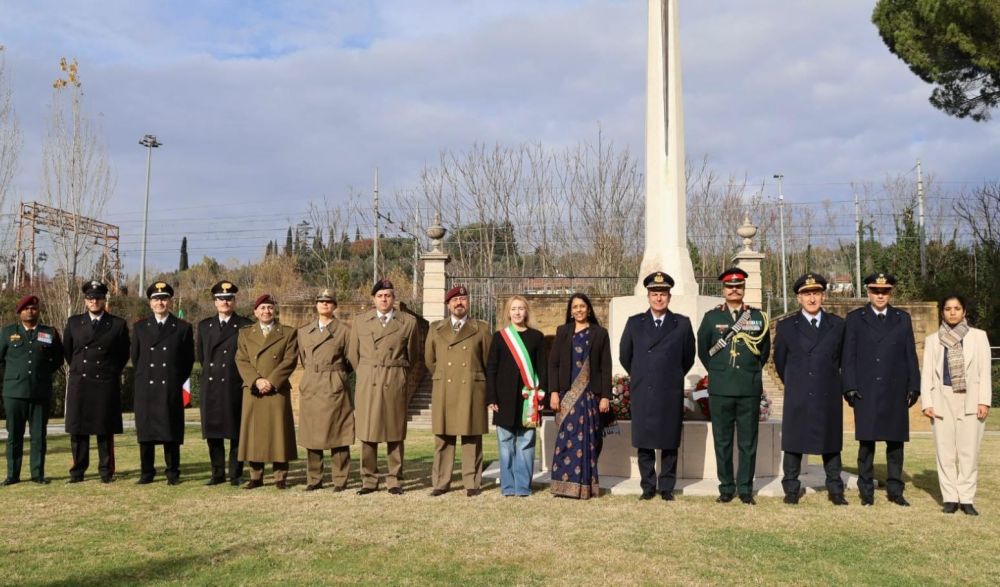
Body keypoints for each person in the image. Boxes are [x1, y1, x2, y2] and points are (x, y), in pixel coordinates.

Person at [843, 272, 920, 507]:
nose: (880, 295)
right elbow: (848, 357)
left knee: (895, 444)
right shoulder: (855, 318)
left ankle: (896, 490)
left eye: (885, 291)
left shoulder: (902, 318)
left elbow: (910, 355)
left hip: (895, 390)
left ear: (890, 292)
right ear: (868, 291)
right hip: (866, 390)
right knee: (866, 444)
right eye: (876, 290)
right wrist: (850, 386)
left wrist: (914, 385)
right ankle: (866, 491)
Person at [696, 267, 770, 505]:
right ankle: (726, 487)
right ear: (723, 290)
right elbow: (704, 351)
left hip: (748, 388)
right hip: (720, 388)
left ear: (744, 289)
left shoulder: (757, 317)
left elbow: (764, 352)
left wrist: (749, 372)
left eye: (738, 286)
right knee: (723, 441)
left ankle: (746, 488)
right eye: (730, 286)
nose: (734, 289)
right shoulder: (711, 318)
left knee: (748, 442)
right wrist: (719, 372)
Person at [619, 272, 695, 502]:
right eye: (654, 294)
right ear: (648, 296)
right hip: (644, 390)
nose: (658, 298)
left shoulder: (681, 323)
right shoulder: (635, 323)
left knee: (669, 441)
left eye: (662, 294)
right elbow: (625, 355)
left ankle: (667, 487)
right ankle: (648, 486)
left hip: (669, 390)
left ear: (669, 297)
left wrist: (671, 376)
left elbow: (688, 357)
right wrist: (643, 375)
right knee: (645, 441)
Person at [773, 273, 848, 506]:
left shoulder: (837, 325)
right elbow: (780, 361)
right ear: (798, 298)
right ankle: (792, 489)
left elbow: (843, 360)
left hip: (827, 392)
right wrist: (796, 383)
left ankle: (835, 489)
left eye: (816, 293)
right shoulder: (786, 326)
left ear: (823, 296)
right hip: (799, 394)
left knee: (831, 443)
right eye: (807, 294)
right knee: (794, 444)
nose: (812, 299)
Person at [347, 279, 420, 496]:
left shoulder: (408, 322)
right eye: (380, 296)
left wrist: (398, 373)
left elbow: (413, 355)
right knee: (368, 431)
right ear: (374, 299)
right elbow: (353, 354)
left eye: (388, 295)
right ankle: (368, 479)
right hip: (369, 378)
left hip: (394, 378)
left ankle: (394, 479)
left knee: (395, 431)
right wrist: (366, 372)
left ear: (394, 298)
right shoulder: (360, 321)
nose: (384, 299)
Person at [920, 294, 992, 515]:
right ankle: (950, 497)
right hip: (942, 399)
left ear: (964, 312)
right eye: (948, 308)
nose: (952, 312)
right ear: (942, 312)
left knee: (968, 452)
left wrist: (984, 401)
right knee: (945, 452)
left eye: (957, 308)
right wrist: (927, 402)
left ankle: (967, 498)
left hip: (970, 399)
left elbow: (984, 371)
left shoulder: (978, 337)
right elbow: (927, 374)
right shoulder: (933, 340)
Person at [425, 285, 491, 497]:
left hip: (471, 387)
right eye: (454, 300)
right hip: (445, 386)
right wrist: (443, 376)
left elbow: (488, 360)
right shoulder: (435, 328)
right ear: (448, 304)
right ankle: (441, 482)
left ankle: (472, 482)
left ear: (468, 302)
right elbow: (430, 360)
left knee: (471, 436)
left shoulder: (481, 328)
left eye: (463, 298)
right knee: (443, 437)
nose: (459, 303)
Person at [63, 280, 130, 483]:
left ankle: (106, 471)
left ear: (104, 300)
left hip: (104, 382)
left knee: (104, 429)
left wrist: (109, 372)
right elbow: (68, 352)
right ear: (85, 301)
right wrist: (79, 369)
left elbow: (123, 354)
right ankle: (78, 471)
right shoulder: (74, 322)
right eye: (90, 298)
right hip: (80, 381)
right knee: (78, 430)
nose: (94, 301)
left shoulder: (117, 324)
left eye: (98, 298)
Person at [548, 293, 612, 499]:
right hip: (568, 396)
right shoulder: (562, 332)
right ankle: (562, 485)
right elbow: (554, 364)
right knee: (566, 440)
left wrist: (605, 396)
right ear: (570, 310)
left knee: (589, 441)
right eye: (574, 307)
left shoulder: (600, 333)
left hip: (590, 397)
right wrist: (554, 392)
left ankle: (586, 485)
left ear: (589, 309)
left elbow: (605, 366)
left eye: (582, 306)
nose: (578, 310)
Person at [130, 282, 195, 485]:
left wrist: (175, 378)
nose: (160, 302)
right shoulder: (140, 327)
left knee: (171, 433)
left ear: (170, 302)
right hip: (147, 389)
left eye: (164, 298)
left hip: (170, 388)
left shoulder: (183, 327)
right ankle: (146, 473)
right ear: (150, 303)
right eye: (156, 299)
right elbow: (136, 357)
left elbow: (188, 360)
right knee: (146, 433)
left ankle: (172, 473)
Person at [235, 293, 299, 489]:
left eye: (270, 307)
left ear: (275, 310)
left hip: (276, 389)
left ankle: (280, 477)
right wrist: (256, 380)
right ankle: (256, 476)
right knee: (254, 433)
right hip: (253, 389)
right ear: (255, 312)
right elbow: (241, 360)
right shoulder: (245, 333)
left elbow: (290, 360)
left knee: (279, 431)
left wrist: (271, 381)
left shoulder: (288, 332)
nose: (266, 311)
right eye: (262, 308)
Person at [0, 295, 64, 485]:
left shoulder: (49, 332)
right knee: (14, 435)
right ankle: (13, 475)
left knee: (38, 435)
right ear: (20, 312)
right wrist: (11, 376)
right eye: (26, 308)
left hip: (39, 391)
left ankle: (38, 473)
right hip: (14, 392)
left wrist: (42, 373)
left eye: (34, 308)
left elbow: (58, 359)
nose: (30, 311)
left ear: (38, 311)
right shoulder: (7, 332)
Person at [486, 295, 546, 497]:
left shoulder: (537, 337)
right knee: (505, 444)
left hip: (529, 399)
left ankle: (523, 486)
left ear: (526, 311)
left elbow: (542, 368)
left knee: (526, 442)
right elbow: (491, 368)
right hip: (504, 398)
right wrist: (491, 397)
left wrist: (541, 393)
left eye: (521, 308)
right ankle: (508, 486)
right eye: (514, 309)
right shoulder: (500, 336)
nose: (518, 312)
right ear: (508, 312)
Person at [196, 280, 253, 486]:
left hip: (233, 385)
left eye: (229, 299)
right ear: (215, 302)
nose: (225, 302)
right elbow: (202, 356)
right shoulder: (204, 325)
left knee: (235, 432)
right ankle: (217, 473)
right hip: (211, 387)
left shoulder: (245, 325)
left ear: (234, 301)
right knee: (213, 433)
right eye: (221, 299)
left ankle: (235, 474)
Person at [297, 289, 354, 492]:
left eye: (329, 302)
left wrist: (336, 376)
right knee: (312, 436)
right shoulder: (303, 331)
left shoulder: (346, 331)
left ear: (335, 306)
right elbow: (304, 360)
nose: (325, 305)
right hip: (312, 384)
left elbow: (350, 361)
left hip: (334, 384)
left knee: (339, 434)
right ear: (316, 305)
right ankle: (314, 479)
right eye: (321, 301)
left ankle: (340, 479)